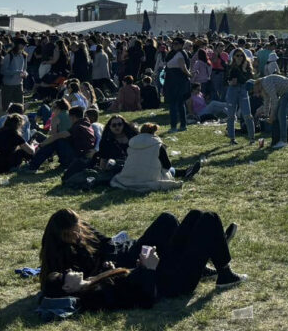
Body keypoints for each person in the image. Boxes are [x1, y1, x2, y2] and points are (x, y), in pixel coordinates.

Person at [39, 207, 244, 311]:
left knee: (194, 216)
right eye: (71, 234)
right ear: (67, 289)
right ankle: (223, 269)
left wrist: (140, 269)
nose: (77, 235)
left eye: (78, 230)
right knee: (208, 219)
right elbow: (146, 298)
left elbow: (111, 249)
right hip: (168, 283)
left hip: (154, 271)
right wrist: (148, 270)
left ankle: (210, 248)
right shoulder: (92, 295)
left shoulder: (88, 284)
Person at [111, 123, 198, 192]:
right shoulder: (157, 144)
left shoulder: (132, 144)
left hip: (130, 177)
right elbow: (167, 166)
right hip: (149, 178)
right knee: (170, 170)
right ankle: (185, 172)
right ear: (153, 133)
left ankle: (185, 172)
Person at [254, 73, 288, 149]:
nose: (257, 94)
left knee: (281, 114)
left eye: (256, 92)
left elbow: (275, 101)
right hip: (285, 94)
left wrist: (271, 116)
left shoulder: (265, 83)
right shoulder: (263, 86)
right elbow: (267, 101)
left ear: (256, 85)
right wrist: (266, 115)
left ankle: (283, 141)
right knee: (277, 115)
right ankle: (277, 139)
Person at [225, 49, 256, 144]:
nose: (239, 57)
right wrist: (229, 82)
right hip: (232, 90)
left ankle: (252, 138)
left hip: (243, 90)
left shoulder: (247, 66)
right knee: (231, 115)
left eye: (241, 55)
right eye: (237, 55)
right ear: (233, 57)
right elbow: (226, 78)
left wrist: (243, 69)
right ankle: (232, 139)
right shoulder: (230, 66)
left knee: (247, 115)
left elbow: (248, 80)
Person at [162, 38, 193, 133]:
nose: (174, 45)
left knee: (174, 104)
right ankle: (183, 125)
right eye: (173, 43)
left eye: (176, 44)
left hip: (176, 81)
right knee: (180, 104)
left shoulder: (180, 54)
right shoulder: (176, 53)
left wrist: (190, 75)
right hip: (175, 80)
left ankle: (174, 126)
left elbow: (183, 67)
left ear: (181, 45)